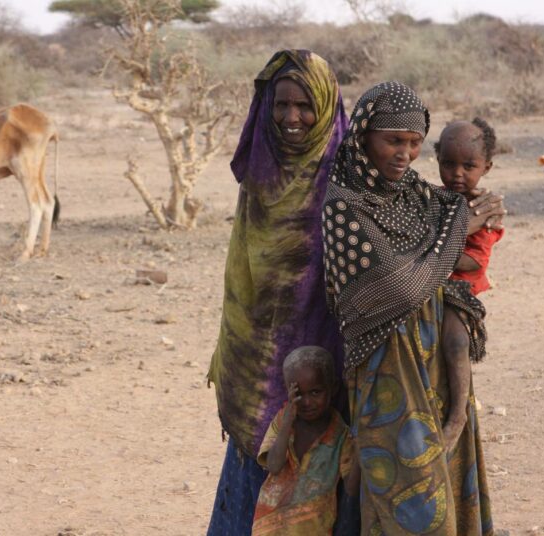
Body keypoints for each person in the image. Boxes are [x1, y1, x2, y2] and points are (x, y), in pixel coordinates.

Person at [322, 81, 503, 535]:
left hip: (434, 358)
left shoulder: (413, 191)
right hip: (387, 366)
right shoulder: (344, 204)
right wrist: (463, 226)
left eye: (414, 143)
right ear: (364, 136)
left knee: (444, 468)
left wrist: (481, 211)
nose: (404, 153)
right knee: (404, 488)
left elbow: (453, 220)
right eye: (393, 140)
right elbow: (399, 286)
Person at [206, 49, 349, 535]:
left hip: (325, 350)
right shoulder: (262, 171)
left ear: (327, 106)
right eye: (282, 105)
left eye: (306, 105)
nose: (292, 118)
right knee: (254, 462)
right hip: (256, 358)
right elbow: (248, 276)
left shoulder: (348, 175)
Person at [435, 117, 506, 452]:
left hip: (460, 291)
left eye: (469, 165)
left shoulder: (485, 211)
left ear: (486, 167)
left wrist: (436, 250)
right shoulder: (434, 198)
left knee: (455, 339)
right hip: (428, 283)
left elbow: (476, 262)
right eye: (448, 164)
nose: (457, 174)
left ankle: (458, 414)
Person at [252, 346, 360, 536]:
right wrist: (286, 424)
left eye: (315, 392)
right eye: (299, 394)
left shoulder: (340, 434)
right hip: (269, 527)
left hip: (313, 528)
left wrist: (362, 446)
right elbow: (274, 465)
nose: (307, 402)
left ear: (333, 388)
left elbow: (351, 488)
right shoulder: (283, 420)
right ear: (289, 392)